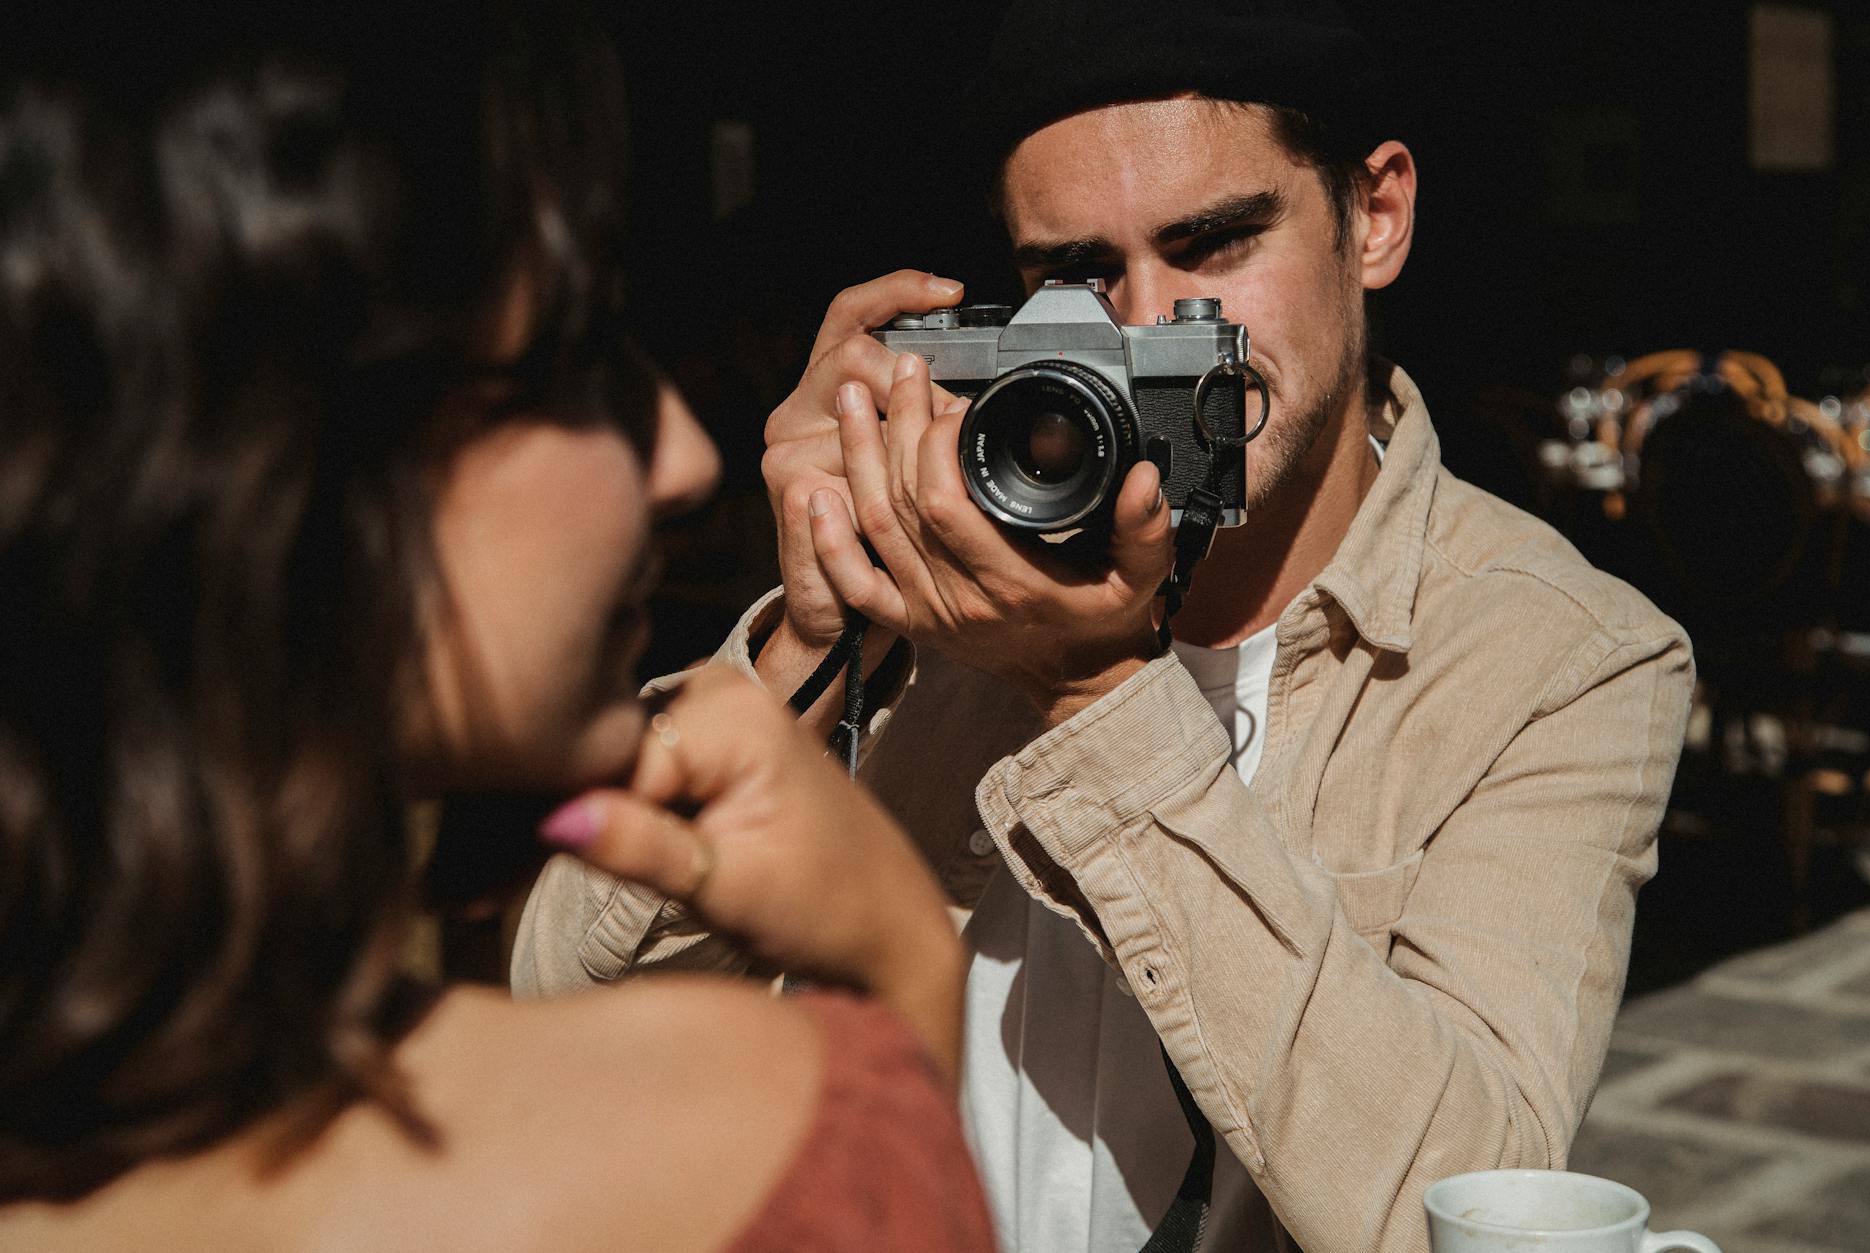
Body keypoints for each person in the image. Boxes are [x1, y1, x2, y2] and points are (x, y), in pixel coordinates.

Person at [515, 1, 1696, 1249]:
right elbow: (562, 1010)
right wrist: (806, 644)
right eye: (1073, 275)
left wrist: (1091, 693)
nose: (1145, 328)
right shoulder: (931, 588)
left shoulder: (1560, 657)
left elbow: (1460, 1209)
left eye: (1216, 244)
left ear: (1375, 216)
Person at [0, 6, 996, 1251]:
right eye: (571, 365)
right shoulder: (735, 1134)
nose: (685, 460)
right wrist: (898, 992)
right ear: (282, 461)